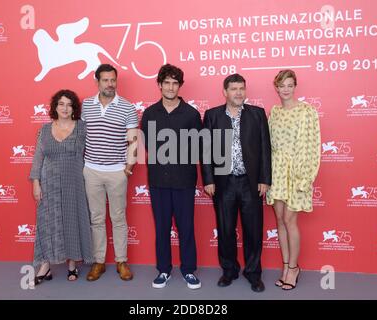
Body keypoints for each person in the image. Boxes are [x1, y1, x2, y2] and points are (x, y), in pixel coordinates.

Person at [201, 73, 271, 293]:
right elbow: (205, 150)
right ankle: (229, 270)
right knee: (225, 230)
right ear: (225, 92)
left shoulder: (257, 114)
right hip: (224, 183)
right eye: (234, 89)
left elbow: (265, 149)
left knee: (253, 231)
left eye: (241, 88)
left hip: (250, 184)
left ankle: (253, 273)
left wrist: (264, 179)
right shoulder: (212, 115)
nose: (238, 92)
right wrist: (209, 179)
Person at [141, 64, 203, 289]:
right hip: (158, 181)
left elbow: (199, 147)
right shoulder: (149, 113)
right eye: (166, 82)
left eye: (175, 82)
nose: (170, 87)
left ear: (180, 85)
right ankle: (164, 270)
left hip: (184, 181)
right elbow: (147, 145)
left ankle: (188, 270)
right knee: (162, 227)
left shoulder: (191, 114)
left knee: (186, 227)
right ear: (159, 85)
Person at [30, 89, 93, 285]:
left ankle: (72, 264)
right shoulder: (45, 129)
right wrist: (35, 183)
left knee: (72, 221)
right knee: (48, 222)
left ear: (74, 108)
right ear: (55, 107)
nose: (65, 108)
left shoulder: (82, 128)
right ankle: (45, 266)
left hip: (74, 182)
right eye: (61, 104)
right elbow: (38, 158)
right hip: (48, 182)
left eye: (69, 104)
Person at [81, 64, 138, 282]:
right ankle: (99, 262)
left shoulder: (127, 107)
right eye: (105, 80)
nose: (109, 84)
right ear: (97, 82)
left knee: (118, 218)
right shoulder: (86, 105)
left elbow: (133, 139)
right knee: (96, 218)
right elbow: (80, 137)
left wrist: (128, 168)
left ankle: (121, 261)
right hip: (92, 170)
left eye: (113, 80)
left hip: (117, 172)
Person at [266, 69, 321, 290]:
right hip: (277, 171)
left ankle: (295, 268)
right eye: (282, 86)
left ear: (294, 86)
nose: (286, 89)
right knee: (279, 219)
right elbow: (269, 145)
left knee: (290, 220)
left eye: (290, 85)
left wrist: (304, 177)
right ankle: (286, 265)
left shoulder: (308, 111)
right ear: (276, 88)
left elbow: (312, 146)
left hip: (297, 171)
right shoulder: (275, 112)